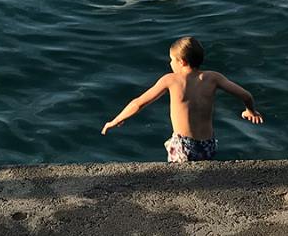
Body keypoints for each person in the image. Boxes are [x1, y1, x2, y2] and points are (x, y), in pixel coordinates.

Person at [101, 36, 263, 162]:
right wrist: (250, 111)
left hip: (184, 146)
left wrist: (116, 120)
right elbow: (246, 95)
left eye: (172, 59)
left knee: (179, 176)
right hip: (208, 144)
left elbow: (138, 103)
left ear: (182, 62)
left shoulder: (171, 80)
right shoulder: (214, 78)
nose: (170, 63)